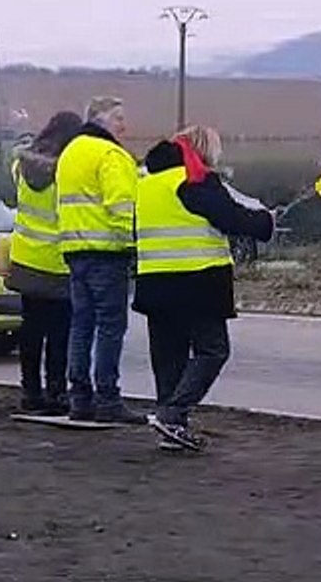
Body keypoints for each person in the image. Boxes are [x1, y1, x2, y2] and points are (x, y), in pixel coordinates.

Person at [134, 126, 275, 451]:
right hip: (197, 282)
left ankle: (171, 427)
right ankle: (173, 414)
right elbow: (230, 218)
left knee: (169, 358)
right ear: (205, 150)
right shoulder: (197, 180)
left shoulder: (148, 183)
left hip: (154, 282)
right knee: (213, 351)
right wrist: (266, 222)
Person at [55, 96, 143, 424]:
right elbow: (121, 206)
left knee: (81, 325)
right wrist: (134, 242)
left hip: (74, 250)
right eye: (118, 118)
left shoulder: (70, 153)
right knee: (110, 326)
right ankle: (108, 398)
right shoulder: (111, 154)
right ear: (100, 119)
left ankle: (80, 398)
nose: (124, 125)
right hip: (108, 251)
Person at [5, 111, 84, 416]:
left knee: (31, 330)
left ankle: (30, 391)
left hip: (25, 258)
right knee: (60, 332)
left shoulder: (20, 166)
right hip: (58, 260)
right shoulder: (67, 173)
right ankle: (56, 392)